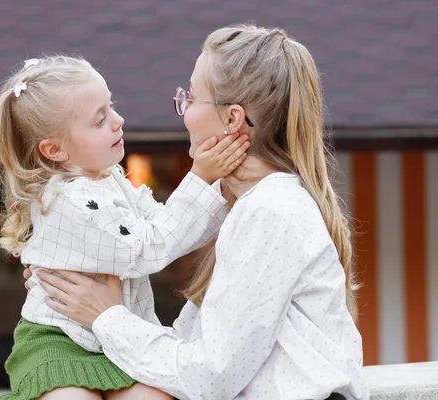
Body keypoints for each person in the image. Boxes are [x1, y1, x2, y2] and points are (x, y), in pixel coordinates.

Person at [31, 24, 369, 400]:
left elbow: (211, 376)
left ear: (232, 119)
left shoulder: (269, 213)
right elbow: (200, 354)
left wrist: (106, 317)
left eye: (191, 98)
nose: (184, 111)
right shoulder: (249, 205)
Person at [0, 55, 250, 400]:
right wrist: (201, 177)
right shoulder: (71, 200)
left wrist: (225, 187)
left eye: (111, 107)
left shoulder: (109, 178)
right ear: (55, 150)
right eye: (100, 120)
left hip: (117, 337)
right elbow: (149, 248)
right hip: (60, 340)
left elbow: (167, 226)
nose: (118, 121)